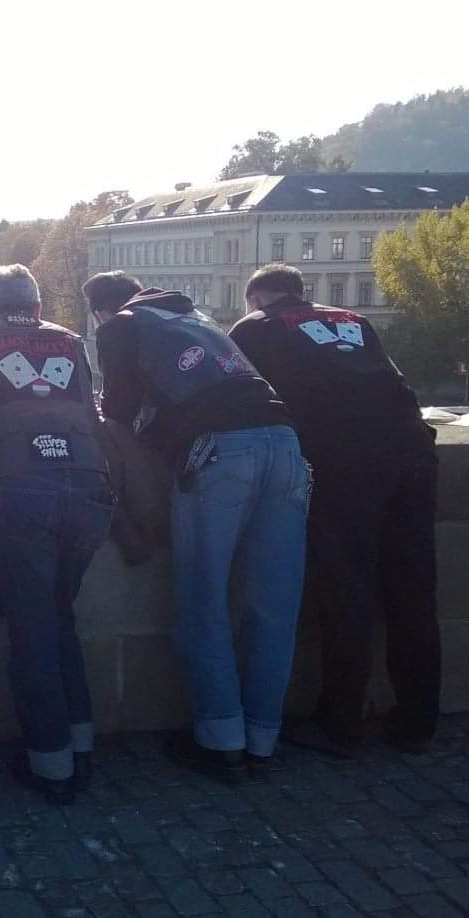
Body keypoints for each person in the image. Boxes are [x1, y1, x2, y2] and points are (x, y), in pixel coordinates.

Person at [84, 270, 308, 783]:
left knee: (204, 602)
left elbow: (116, 412)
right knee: (274, 606)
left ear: (99, 312)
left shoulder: (119, 325)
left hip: (220, 451)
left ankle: (222, 740)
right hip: (285, 443)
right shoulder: (194, 316)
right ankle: (263, 739)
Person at [229, 263, 440, 757]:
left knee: (348, 591)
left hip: (343, 462)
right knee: (414, 591)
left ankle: (342, 724)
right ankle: (418, 724)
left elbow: (234, 398)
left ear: (256, 298)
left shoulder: (256, 327)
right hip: (412, 454)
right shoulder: (352, 319)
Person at [0, 266, 112, 804]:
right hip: (89, 487)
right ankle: (81, 743)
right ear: (37, 308)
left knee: (32, 628)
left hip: (22, 488)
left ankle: (51, 764)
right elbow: (92, 411)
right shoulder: (71, 341)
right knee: (61, 617)